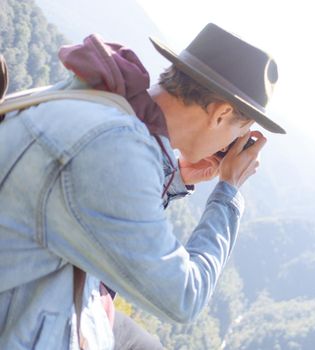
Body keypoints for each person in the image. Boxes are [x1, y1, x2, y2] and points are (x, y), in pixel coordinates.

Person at [0, 23, 286, 349]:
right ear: (221, 113)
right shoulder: (115, 151)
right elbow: (183, 299)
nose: (235, 142)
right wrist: (229, 192)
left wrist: (175, 177)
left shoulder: (103, 103)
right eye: (242, 129)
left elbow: (93, 211)